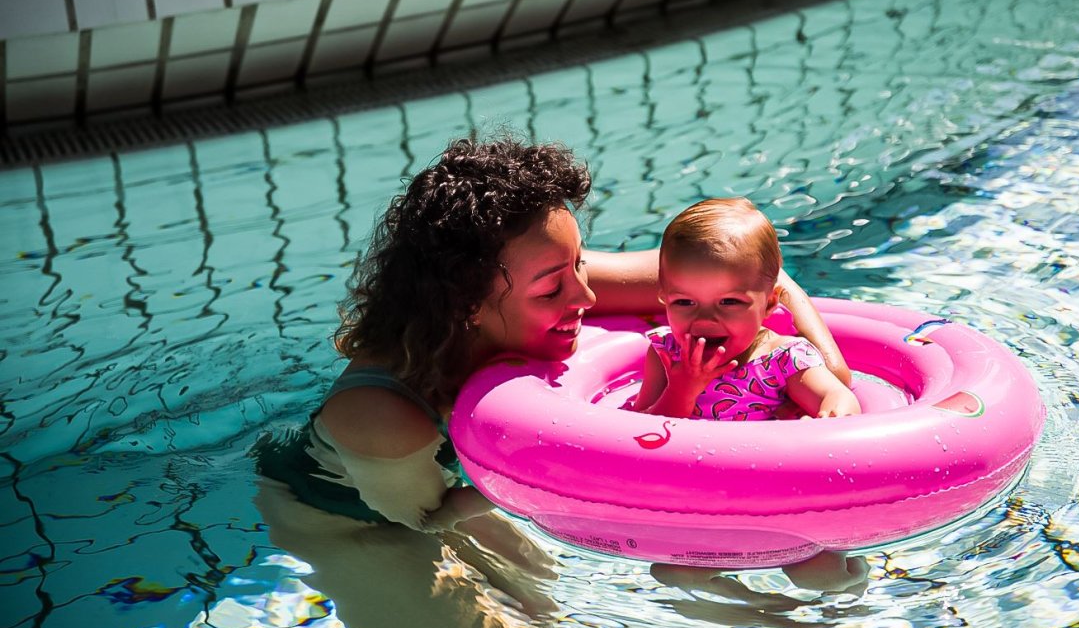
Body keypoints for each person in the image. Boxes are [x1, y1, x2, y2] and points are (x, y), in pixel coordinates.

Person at [262, 138, 850, 531]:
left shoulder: (530, 272)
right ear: (467, 300)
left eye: (581, 267)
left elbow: (769, 280)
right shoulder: (381, 415)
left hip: (459, 490)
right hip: (351, 517)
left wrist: (832, 378)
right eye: (552, 289)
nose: (587, 298)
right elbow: (421, 521)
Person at [631, 197, 860, 421]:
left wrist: (832, 415)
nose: (705, 319)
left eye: (729, 302)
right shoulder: (666, 354)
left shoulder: (782, 361)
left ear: (769, 303)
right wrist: (680, 391)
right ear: (665, 299)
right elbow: (638, 427)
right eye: (684, 302)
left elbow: (836, 394)